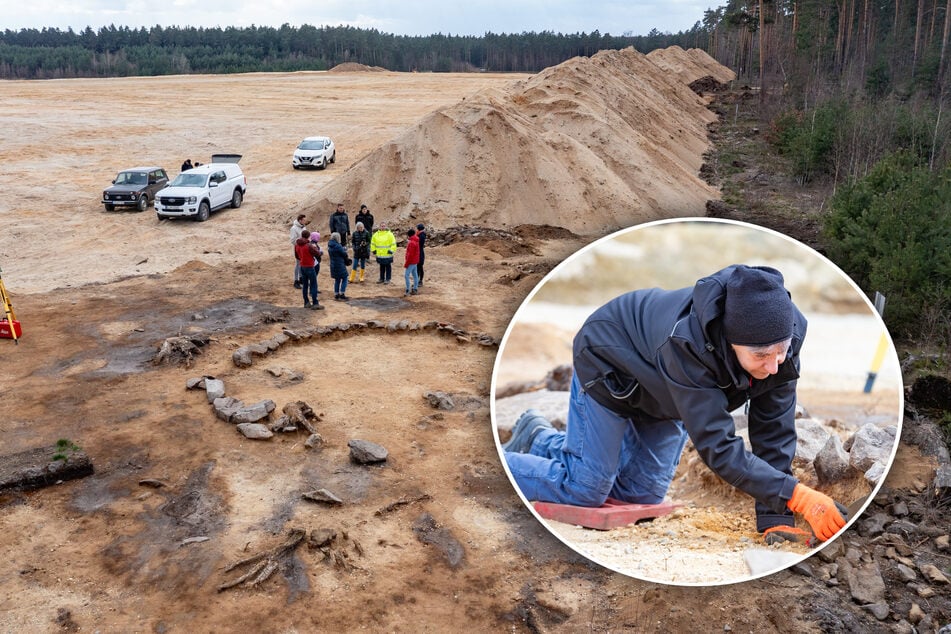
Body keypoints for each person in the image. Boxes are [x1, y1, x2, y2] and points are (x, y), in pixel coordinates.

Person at [503, 265, 848, 544]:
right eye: (760, 355)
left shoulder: (779, 339)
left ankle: (537, 437)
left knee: (643, 494)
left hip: (664, 392)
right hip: (609, 367)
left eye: (781, 351)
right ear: (730, 341)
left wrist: (776, 518)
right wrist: (796, 495)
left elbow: (773, 429)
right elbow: (717, 446)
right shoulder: (687, 344)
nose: (774, 365)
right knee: (586, 488)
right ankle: (499, 460)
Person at [294, 229, 324, 310]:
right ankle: (315, 303)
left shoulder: (297, 245)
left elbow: (296, 256)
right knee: (313, 284)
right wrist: (320, 252)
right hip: (310, 266)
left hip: (302, 266)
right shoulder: (309, 245)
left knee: (305, 285)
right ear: (308, 237)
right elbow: (317, 253)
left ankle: (306, 302)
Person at [327, 232, 350, 301]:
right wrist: (345, 250)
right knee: (345, 278)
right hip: (340, 264)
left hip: (333, 265)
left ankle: (336, 294)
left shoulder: (330, 245)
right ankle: (342, 293)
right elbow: (344, 254)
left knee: (337, 280)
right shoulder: (338, 246)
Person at [289, 214, 309, 288]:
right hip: (298, 248)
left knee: (302, 263)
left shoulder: (303, 227)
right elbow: (293, 240)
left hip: (304, 247)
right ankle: (296, 281)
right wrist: (301, 242)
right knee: (298, 264)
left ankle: (301, 278)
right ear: (300, 220)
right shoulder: (294, 228)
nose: (305, 221)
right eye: (304, 220)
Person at [403, 228, 420, 296]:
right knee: (415, 274)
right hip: (415, 260)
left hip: (411, 261)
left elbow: (410, 255)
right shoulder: (416, 240)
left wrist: (406, 264)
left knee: (406, 275)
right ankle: (415, 288)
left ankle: (408, 290)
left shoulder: (411, 243)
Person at [416, 223, 427, 287]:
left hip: (419, 253)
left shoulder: (421, 235)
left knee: (419, 267)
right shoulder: (420, 234)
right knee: (418, 267)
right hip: (419, 252)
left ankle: (420, 281)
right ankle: (418, 280)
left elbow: (419, 244)